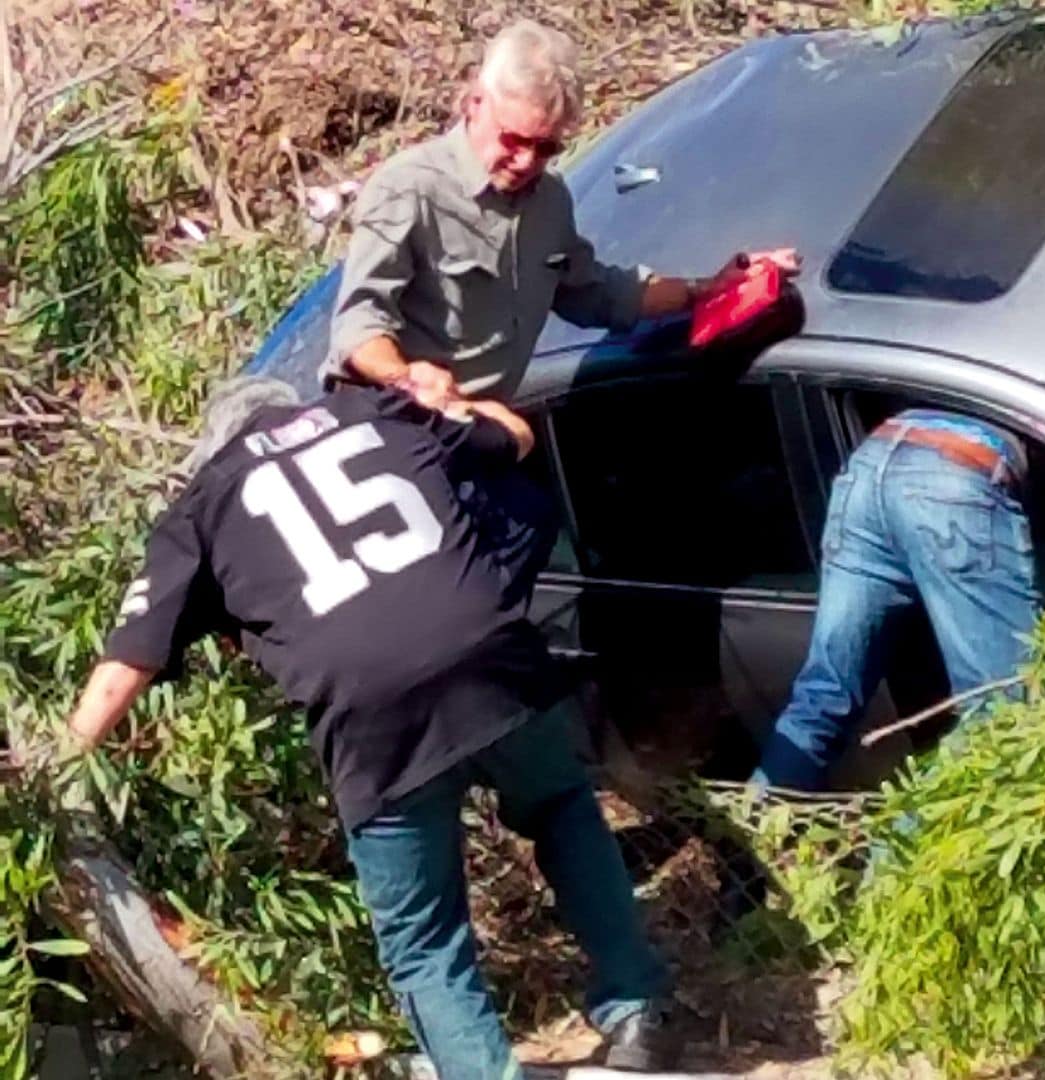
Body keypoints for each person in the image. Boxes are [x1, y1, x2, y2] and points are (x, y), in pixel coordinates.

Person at [44, 376, 674, 1078]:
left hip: (376, 721)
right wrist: (455, 399)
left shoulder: (201, 505)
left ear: (217, 442)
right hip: (494, 659)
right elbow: (515, 436)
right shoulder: (374, 409)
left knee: (425, 940)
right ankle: (637, 1011)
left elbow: (127, 660)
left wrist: (58, 767)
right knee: (562, 811)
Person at [321, 18, 800, 407]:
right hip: (392, 424)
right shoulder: (410, 188)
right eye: (515, 140)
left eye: (546, 147)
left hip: (477, 434)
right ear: (474, 104)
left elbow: (597, 293)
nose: (527, 161)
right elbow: (358, 327)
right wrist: (408, 379)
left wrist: (708, 289)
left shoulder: (548, 202)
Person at [754, 407, 1042, 791]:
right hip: (955, 471)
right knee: (1004, 710)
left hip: (869, 463)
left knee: (823, 694)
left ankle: (749, 833)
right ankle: (900, 848)